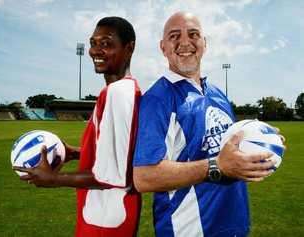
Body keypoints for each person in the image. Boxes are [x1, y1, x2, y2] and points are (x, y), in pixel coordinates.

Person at [133, 12, 277, 237]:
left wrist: (262, 143)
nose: (184, 42)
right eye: (174, 36)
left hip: (234, 226)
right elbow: (144, 177)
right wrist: (216, 166)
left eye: (193, 34)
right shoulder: (158, 99)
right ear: (163, 47)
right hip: (189, 230)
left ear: (204, 43)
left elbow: (227, 150)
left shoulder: (217, 93)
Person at [14, 16, 141, 237]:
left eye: (106, 44)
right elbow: (122, 156)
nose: (95, 51)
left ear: (129, 49)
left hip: (105, 217)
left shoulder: (117, 93)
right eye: (93, 43)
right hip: (110, 212)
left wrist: (54, 180)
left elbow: (113, 177)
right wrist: (77, 152)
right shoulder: (126, 89)